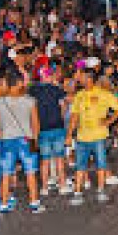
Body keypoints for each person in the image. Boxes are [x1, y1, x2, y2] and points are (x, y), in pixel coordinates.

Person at [65, 68, 118, 206]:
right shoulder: (79, 95)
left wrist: (109, 121)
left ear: (90, 78)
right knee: (80, 166)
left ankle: (101, 190)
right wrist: (69, 135)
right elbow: (74, 116)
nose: (81, 79)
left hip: (98, 136)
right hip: (81, 137)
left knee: (101, 165)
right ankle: (77, 193)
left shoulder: (103, 94)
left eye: (84, 77)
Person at [0, 69, 44, 213]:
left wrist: (1, 136)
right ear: (19, 83)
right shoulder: (30, 101)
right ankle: (34, 203)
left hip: (7, 141)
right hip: (26, 140)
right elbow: (36, 123)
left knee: (6, 174)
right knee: (30, 172)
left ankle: (3, 204)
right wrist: (35, 139)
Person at [28, 67, 72, 196]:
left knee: (45, 160)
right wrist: (61, 116)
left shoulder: (33, 90)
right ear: (49, 76)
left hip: (42, 128)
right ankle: (62, 185)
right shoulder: (56, 89)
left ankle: (44, 187)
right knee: (59, 158)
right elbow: (65, 104)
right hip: (57, 126)